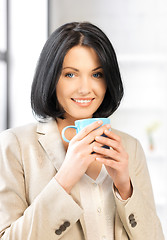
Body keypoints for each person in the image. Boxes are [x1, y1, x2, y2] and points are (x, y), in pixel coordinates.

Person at [0, 22, 164, 240]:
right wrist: (65, 178)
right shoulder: (15, 146)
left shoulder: (130, 147)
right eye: (70, 74)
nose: (85, 88)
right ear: (51, 78)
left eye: (97, 75)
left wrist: (125, 188)